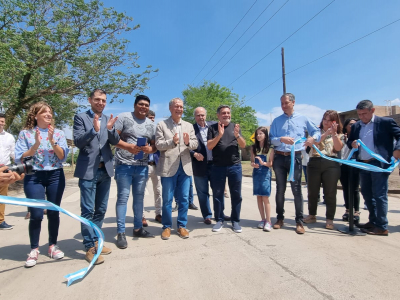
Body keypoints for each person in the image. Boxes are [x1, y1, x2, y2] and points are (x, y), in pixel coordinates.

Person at [15, 102, 69, 267]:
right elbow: (20, 158)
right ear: (35, 115)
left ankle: (52, 245)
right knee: (36, 214)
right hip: (34, 176)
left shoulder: (58, 133)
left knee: (53, 212)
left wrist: (52, 140)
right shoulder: (26, 134)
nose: (48, 115)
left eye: (50, 112)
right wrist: (36, 145)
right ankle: (34, 249)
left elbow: (62, 157)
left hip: (55, 175)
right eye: (44, 112)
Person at [73, 88, 120, 265]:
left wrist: (109, 130)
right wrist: (93, 130)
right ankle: (89, 247)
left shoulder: (108, 119)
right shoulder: (80, 117)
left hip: (105, 170)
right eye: (97, 99)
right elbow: (78, 142)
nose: (101, 103)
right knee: (87, 211)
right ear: (90, 100)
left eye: (104, 100)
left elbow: (114, 141)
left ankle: (97, 242)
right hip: (88, 171)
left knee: (100, 210)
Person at [269, 93, 320, 234]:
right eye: (282, 103)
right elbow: (271, 139)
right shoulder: (277, 121)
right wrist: (281, 139)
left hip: (295, 157)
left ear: (293, 102)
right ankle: (279, 218)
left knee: (296, 189)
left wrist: (312, 138)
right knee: (280, 189)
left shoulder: (303, 118)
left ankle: (299, 221)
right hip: (279, 158)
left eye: (286, 103)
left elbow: (317, 131)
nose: (284, 106)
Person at [348, 100, 400, 236]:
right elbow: (350, 141)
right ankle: (373, 221)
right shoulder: (356, 126)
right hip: (363, 163)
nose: (362, 117)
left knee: (379, 195)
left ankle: (382, 226)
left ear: (373, 111)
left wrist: (397, 150)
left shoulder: (385, 123)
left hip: (379, 164)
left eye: (364, 114)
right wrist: (352, 143)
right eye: (359, 114)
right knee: (367, 194)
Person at [114, 95, 157, 249]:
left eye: (146, 105)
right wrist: (128, 147)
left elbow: (154, 146)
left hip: (142, 166)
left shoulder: (151, 125)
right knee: (123, 198)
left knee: (139, 199)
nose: (143, 107)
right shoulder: (124, 118)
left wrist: (149, 149)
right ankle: (121, 232)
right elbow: (113, 139)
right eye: (141, 104)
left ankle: (138, 228)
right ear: (134, 105)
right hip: (123, 165)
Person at [155, 98, 198, 240]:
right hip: (168, 167)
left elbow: (195, 144)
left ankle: (181, 226)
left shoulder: (189, 126)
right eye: (176, 106)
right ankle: (167, 226)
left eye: (181, 107)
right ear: (170, 108)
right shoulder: (162, 125)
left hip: (185, 167)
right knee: (167, 199)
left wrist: (187, 142)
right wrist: (171, 142)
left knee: (184, 198)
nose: (179, 109)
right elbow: (159, 145)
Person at [207, 105, 246, 233]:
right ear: (218, 115)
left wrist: (237, 135)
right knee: (218, 194)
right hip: (218, 166)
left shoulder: (235, 127)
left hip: (234, 166)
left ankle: (235, 221)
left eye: (228, 113)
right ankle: (219, 220)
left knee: (236, 194)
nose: (226, 115)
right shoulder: (213, 128)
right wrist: (219, 134)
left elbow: (243, 145)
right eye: (223, 113)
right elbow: (210, 146)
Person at [303, 110, 344, 230]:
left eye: (330, 120)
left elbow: (337, 148)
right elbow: (314, 142)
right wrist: (326, 133)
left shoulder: (339, 134)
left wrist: (334, 134)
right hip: (314, 162)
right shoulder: (315, 132)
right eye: (325, 119)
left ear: (335, 122)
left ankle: (329, 219)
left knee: (330, 192)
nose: (326, 122)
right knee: (312, 191)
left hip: (331, 163)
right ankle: (312, 215)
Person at [190, 107, 217, 225]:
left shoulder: (214, 125)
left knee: (218, 191)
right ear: (195, 117)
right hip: (199, 165)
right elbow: (185, 146)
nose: (200, 117)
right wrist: (194, 153)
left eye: (202, 115)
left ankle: (220, 213)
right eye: (198, 115)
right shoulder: (191, 129)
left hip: (215, 165)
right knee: (202, 193)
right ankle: (207, 215)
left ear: (206, 115)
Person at [250, 126, 274, 232]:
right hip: (256, 173)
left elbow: (270, 163)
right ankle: (262, 219)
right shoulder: (253, 147)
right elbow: (251, 161)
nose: (258, 136)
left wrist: (263, 163)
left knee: (265, 197)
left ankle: (268, 221)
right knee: (258, 196)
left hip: (265, 173)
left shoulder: (270, 148)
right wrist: (254, 164)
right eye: (257, 134)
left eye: (261, 134)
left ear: (265, 135)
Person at [143, 110, 162, 224]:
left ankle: (158, 214)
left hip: (156, 165)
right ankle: (141, 216)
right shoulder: (140, 131)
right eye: (150, 117)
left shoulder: (157, 132)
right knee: (141, 192)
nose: (152, 119)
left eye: (153, 118)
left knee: (158, 191)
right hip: (143, 165)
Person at [340, 118, 361, 223]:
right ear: (346, 126)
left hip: (355, 164)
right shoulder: (341, 136)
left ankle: (356, 211)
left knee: (355, 188)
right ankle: (348, 210)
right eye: (351, 124)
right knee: (346, 188)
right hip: (343, 164)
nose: (353, 126)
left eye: (355, 124)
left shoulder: (359, 137)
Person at [0, 112, 16, 230]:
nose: (1, 123)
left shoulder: (9, 137)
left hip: (5, 169)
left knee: (2, 197)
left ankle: (1, 221)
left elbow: (13, 153)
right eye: (0, 121)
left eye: (3, 121)